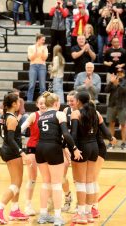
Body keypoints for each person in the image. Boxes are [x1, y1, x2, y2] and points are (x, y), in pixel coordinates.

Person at [70, 91, 115, 224]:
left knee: (80, 182)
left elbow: (73, 135)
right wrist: (112, 138)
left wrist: (74, 149)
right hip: (94, 148)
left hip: (82, 148)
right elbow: (106, 131)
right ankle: (89, 213)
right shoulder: (96, 113)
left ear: (78, 101)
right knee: (90, 182)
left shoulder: (76, 113)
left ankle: (81, 213)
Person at [36, 92, 80, 226]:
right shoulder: (59, 114)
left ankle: (43, 215)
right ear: (55, 103)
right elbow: (66, 134)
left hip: (40, 149)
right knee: (56, 184)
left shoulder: (41, 117)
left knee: (45, 183)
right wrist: (74, 148)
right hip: (53, 149)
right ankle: (57, 216)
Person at [0, 93, 32, 225]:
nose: (20, 104)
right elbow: (10, 139)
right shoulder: (12, 119)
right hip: (12, 152)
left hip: (8, 150)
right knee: (15, 184)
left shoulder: (5, 116)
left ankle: (14, 210)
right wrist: (22, 152)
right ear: (14, 104)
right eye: (18, 102)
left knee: (17, 183)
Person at [20, 95, 47, 216]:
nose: (42, 105)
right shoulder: (33, 116)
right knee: (32, 178)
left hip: (47, 149)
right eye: (40, 103)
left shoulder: (51, 115)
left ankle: (49, 203)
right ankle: (28, 205)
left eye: (45, 103)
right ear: (37, 104)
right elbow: (21, 128)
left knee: (48, 178)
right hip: (33, 148)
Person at [61, 90, 78, 212]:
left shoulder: (81, 112)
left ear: (77, 100)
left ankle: (80, 202)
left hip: (78, 147)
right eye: (68, 101)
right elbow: (63, 131)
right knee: (62, 176)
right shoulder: (66, 111)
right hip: (67, 146)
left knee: (77, 178)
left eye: (71, 100)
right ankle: (67, 198)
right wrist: (65, 146)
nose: (69, 103)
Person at [105, 69, 126, 150]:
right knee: (111, 124)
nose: (119, 74)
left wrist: (118, 84)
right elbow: (106, 90)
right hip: (111, 105)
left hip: (122, 106)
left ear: (123, 74)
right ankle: (111, 142)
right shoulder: (113, 81)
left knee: (123, 124)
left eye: (121, 73)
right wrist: (110, 82)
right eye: (118, 73)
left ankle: (123, 142)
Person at [27, 34, 48, 102]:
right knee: (31, 85)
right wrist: (36, 51)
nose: (44, 41)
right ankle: (29, 101)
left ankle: (43, 101)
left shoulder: (45, 48)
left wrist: (42, 51)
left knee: (42, 86)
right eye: (43, 40)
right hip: (33, 66)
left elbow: (44, 58)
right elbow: (31, 58)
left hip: (42, 66)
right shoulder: (31, 47)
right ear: (38, 39)